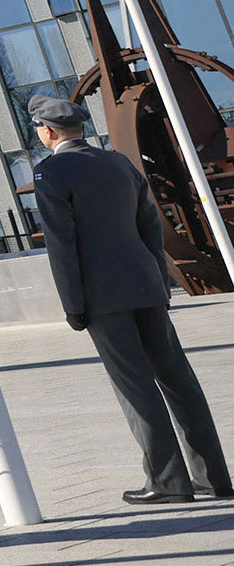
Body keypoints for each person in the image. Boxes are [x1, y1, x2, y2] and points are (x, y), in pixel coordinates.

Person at [28, 93, 229, 501]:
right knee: (179, 381)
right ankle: (215, 478)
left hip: (103, 297)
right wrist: (159, 281)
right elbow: (150, 227)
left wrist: (73, 305)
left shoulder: (51, 173)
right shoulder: (119, 162)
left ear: (47, 132)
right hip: (146, 285)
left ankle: (168, 482)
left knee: (135, 387)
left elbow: (61, 245)